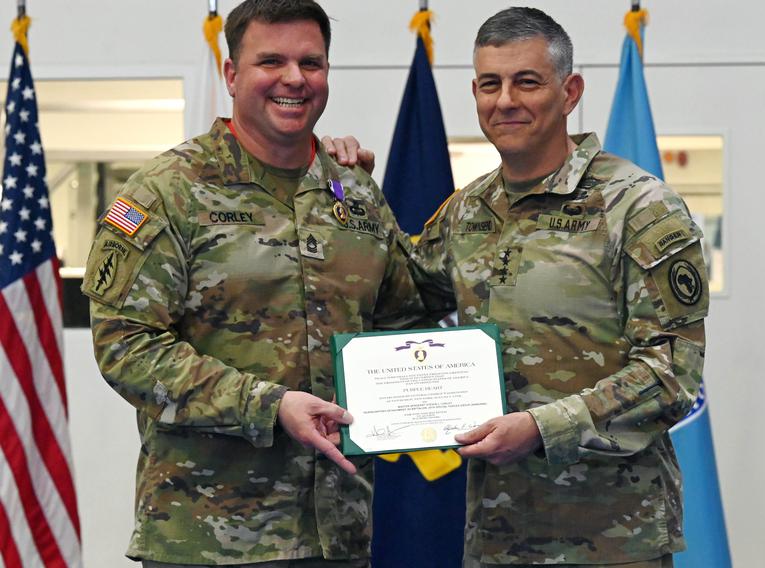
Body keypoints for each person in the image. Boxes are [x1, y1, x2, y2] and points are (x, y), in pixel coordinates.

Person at [81, 1, 425, 566]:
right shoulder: (167, 192)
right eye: (272, 61)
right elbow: (126, 346)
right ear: (232, 74)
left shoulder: (356, 194)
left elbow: (404, 318)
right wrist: (269, 404)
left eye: (311, 63)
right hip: (206, 535)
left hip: (338, 532)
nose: (294, 79)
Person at [409, 7, 709, 567]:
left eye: (527, 81)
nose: (506, 101)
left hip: (613, 537)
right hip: (496, 534)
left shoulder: (638, 207)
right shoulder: (467, 210)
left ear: (570, 92)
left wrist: (542, 428)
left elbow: (672, 373)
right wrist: (339, 182)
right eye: (490, 84)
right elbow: (395, 297)